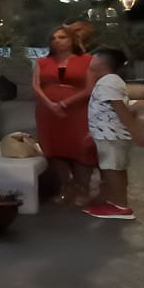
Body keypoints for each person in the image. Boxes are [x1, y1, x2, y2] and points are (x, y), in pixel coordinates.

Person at [34, 24, 95, 204]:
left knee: (80, 148)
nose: (57, 41)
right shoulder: (42, 62)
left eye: (62, 37)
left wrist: (64, 103)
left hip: (77, 111)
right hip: (48, 112)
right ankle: (65, 187)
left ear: (71, 40)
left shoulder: (87, 60)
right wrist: (50, 104)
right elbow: (36, 86)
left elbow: (89, 88)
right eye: (54, 38)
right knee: (54, 148)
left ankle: (83, 188)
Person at [85, 48, 144, 220]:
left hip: (111, 136)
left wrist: (137, 133)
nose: (90, 59)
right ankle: (115, 202)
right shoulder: (108, 81)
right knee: (114, 168)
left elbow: (120, 110)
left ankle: (120, 206)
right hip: (107, 134)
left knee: (113, 169)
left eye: (94, 57)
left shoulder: (108, 81)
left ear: (103, 61)